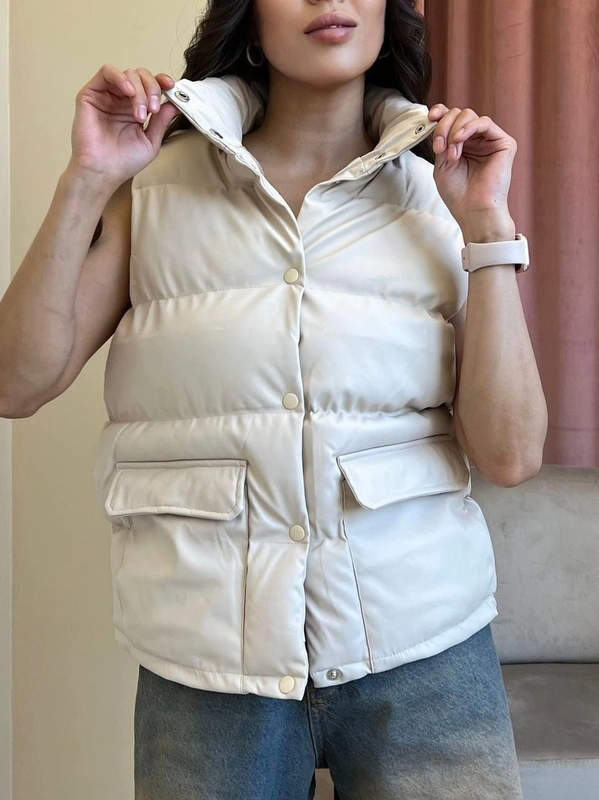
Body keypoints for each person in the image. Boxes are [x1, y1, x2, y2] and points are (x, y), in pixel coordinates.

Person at [0, 0, 548, 797]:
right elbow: (16, 384)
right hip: (208, 662)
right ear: (249, 16)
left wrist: (487, 227)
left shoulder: (443, 195)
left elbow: (510, 455)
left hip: (425, 649)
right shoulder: (154, 189)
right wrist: (87, 179)